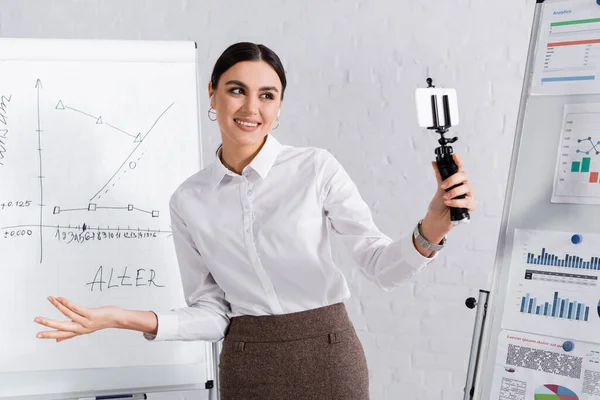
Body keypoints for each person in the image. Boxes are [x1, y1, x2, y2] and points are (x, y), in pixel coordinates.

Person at [34, 42, 477, 400]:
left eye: (268, 94)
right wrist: (122, 318)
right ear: (212, 93)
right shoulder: (189, 199)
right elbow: (212, 315)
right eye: (236, 89)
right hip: (247, 363)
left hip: (328, 356)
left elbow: (380, 266)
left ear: (280, 105)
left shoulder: (315, 169)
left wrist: (432, 227)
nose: (251, 107)